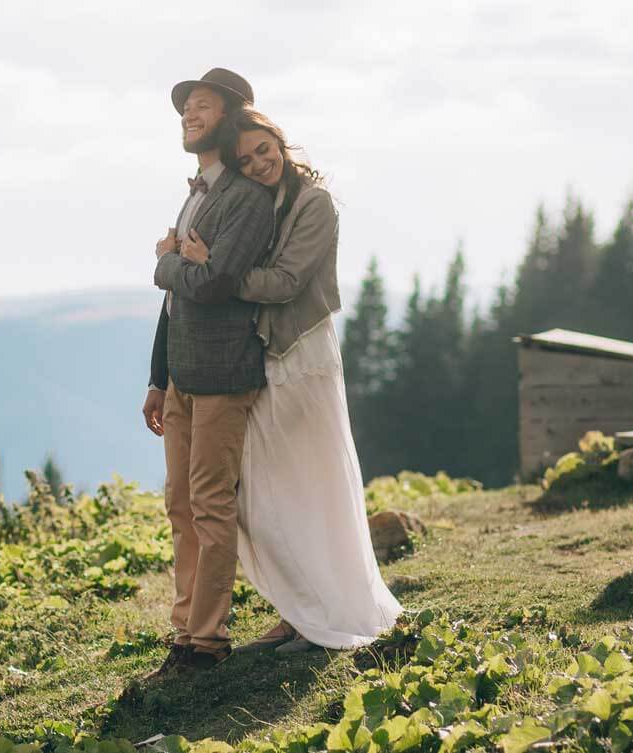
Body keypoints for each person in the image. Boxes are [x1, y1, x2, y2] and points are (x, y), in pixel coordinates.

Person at [176, 107, 402, 653]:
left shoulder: (314, 203)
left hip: (302, 356)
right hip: (267, 357)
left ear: (282, 142)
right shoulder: (266, 202)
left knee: (306, 487)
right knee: (266, 494)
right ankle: (301, 609)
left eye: (264, 150)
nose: (258, 163)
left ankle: (327, 612)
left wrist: (215, 273)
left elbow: (285, 282)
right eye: (246, 158)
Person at [142, 68, 275, 675]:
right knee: (179, 504)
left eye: (199, 106)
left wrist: (165, 264)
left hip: (224, 376)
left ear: (227, 116)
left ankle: (209, 642)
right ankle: (184, 633)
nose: (188, 116)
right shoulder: (196, 192)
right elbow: (179, 301)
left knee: (210, 506)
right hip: (182, 379)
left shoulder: (248, 200)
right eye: (184, 109)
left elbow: (217, 284)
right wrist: (156, 376)